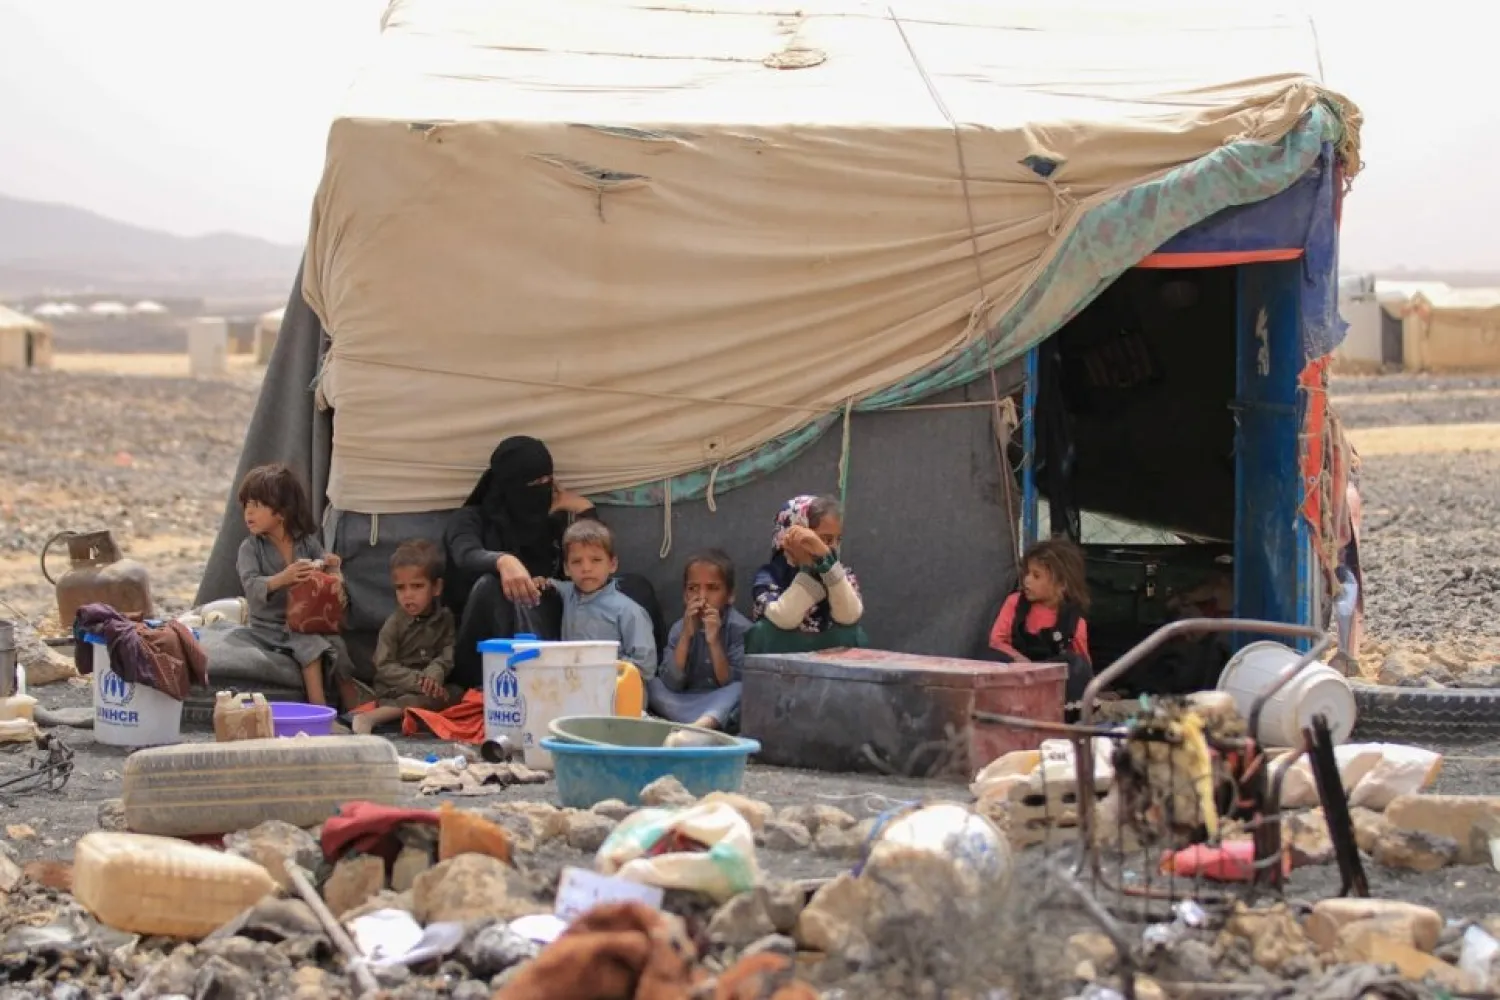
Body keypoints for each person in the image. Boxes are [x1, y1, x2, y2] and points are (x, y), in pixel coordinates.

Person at [445, 436, 662, 689]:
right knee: (490, 587)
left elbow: (591, 558)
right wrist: (502, 561)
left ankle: (649, 684)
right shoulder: (470, 519)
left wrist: (584, 510)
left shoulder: (548, 523)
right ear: (508, 485)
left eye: (547, 481)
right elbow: (465, 553)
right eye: (533, 483)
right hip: (492, 644)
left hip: (554, 632)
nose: (542, 490)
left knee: (636, 586)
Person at [235, 463, 358, 709]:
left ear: (281, 512)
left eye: (256, 505)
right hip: (272, 626)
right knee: (310, 649)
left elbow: (325, 576)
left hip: (308, 621)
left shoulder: (306, 543)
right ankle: (320, 711)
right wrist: (283, 578)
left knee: (339, 647)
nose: (248, 512)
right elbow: (250, 585)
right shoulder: (250, 549)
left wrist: (332, 568)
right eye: (246, 505)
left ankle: (354, 709)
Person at [350, 539, 458, 735]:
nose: (408, 595)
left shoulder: (445, 619)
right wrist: (419, 681)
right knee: (424, 700)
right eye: (401, 588)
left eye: (417, 586)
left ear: (436, 588)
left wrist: (436, 672)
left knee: (457, 693)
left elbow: (447, 651)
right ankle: (371, 717)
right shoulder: (394, 624)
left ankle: (410, 717)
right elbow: (383, 666)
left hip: (430, 685)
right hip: (396, 688)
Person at [745, 495, 867, 654]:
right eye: (825, 539)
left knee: (853, 633)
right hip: (782, 669)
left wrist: (829, 572)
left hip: (832, 670)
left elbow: (849, 615)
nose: (832, 548)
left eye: (838, 540)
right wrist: (810, 573)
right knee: (763, 631)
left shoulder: (841, 574)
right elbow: (784, 617)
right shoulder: (770, 576)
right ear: (789, 538)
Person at [648, 549, 751, 731]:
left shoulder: (740, 629)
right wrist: (686, 636)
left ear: (730, 595)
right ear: (685, 595)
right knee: (651, 684)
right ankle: (696, 727)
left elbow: (729, 682)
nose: (702, 597)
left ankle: (701, 725)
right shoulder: (679, 628)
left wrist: (714, 642)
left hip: (720, 700)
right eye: (693, 588)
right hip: (683, 700)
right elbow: (670, 682)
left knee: (740, 689)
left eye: (713, 588)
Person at [988, 537, 1093, 705]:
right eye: (1027, 573)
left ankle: (1069, 707)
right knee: (989, 657)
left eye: (1036, 576)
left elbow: (1082, 663)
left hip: (1050, 681)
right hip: (1017, 672)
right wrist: (1020, 661)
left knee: (1077, 665)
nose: (1027, 580)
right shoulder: (1014, 603)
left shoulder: (1074, 621)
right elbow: (997, 642)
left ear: (1061, 584)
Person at [540, 521, 657, 671]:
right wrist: (539, 582)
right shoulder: (567, 593)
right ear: (567, 568)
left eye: (596, 560)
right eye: (577, 561)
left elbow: (645, 665)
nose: (586, 568)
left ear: (612, 564)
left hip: (615, 687)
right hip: (573, 683)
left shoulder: (629, 612)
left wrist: (602, 667)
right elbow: (548, 584)